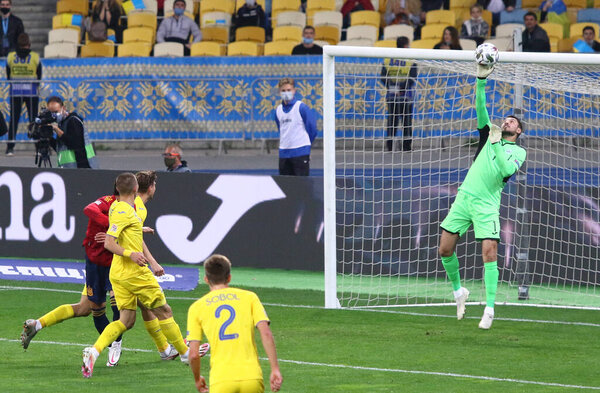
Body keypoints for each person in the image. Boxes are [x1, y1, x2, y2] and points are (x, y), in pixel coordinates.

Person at [438, 61, 526, 330]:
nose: (507, 120)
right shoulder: (489, 134)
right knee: (445, 249)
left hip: (488, 203)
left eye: (513, 121)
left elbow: (503, 169)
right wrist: (480, 80)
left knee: (489, 253)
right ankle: (458, 292)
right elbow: (481, 106)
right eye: (506, 118)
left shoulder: (518, 152)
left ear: (518, 131)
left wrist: (498, 141)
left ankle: (489, 307)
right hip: (465, 197)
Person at [82, 172, 190, 378]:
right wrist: (132, 253)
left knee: (126, 320)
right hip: (134, 273)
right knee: (164, 310)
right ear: (135, 190)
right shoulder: (126, 210)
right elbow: (109, 242)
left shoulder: (116, 206)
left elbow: (121, 230)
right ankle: (185, 354)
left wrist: (138, 229)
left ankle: (94, 352)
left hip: (118, 274)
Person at [187, 254, 283, 393]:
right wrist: (275, 369)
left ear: (206, 279)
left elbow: (194, 355)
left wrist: (197, 379)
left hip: (221, 380)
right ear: (229, 277)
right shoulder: (250, 297)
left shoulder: (196, 308)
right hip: (251, 378)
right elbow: (266, 333)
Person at [3, 33, 40, 156]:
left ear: (17, 45)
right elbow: (39, 76)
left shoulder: (11, 57)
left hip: (16, 91)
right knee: (34, 120)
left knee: (14, 120)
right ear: (29, 44)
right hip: (31, 92)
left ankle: (10, 148)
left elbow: (8, 76)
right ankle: (38, 148)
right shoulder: (35, 57)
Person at [273, 77, 317, 176]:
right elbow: (281, 130)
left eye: (289, 90)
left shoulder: (301, 107)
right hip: (284, 153)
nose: (286, 93)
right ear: (279, 92)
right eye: (283, 90)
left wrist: (305, 145)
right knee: (285, 188)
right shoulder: (278, 110)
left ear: (294, 91)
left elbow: (312, 129)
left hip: (300, 153)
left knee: (302, 187)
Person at [380, 36, 417, 152]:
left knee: (392, 121)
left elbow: (383, 76)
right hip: (406, 96)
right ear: (406, 45)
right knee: (406, 121)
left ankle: (390, 146)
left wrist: (392, 86)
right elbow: (412, 77)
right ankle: (407, 146)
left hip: (392, 95)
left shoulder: (388, 59)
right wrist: (402, 87)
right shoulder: (410, 59)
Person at [47, 96, 98, 168]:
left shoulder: (73, 121)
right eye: (51, 113)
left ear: (63, 108)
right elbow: (61, 148)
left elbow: (76, 144)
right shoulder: (61, 123)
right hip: (68, 168)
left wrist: (57, 130)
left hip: (82, 166)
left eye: (56, 112)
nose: (54, 115)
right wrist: (48, 137)